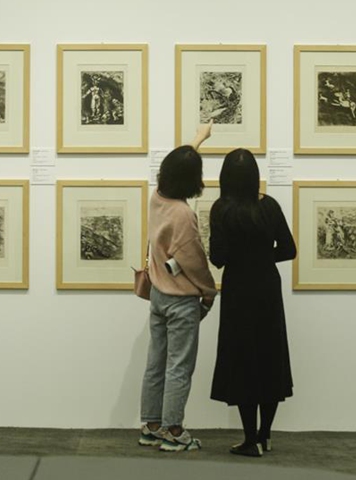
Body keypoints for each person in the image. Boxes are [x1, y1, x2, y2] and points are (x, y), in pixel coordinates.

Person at [208, 148, 297, 457]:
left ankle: (249, 439)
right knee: (269, 355)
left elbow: (217, 258)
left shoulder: (222, 209)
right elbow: (289, 249)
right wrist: (261, 256)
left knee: (242, 358)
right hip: (267, 286)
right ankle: (265, 435)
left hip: (238, 289)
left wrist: (240, 257)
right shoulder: (269, 206)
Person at [139, 122, 217, 452]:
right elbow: (194, 261)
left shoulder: (157, 198)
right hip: (181, 301)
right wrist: (210, 291)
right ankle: (173, 430)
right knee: (179, 367)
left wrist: (198, 139)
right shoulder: (183, 215)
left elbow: (179, 165)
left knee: (156, 363)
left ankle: (151, 424)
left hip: (157, 294)